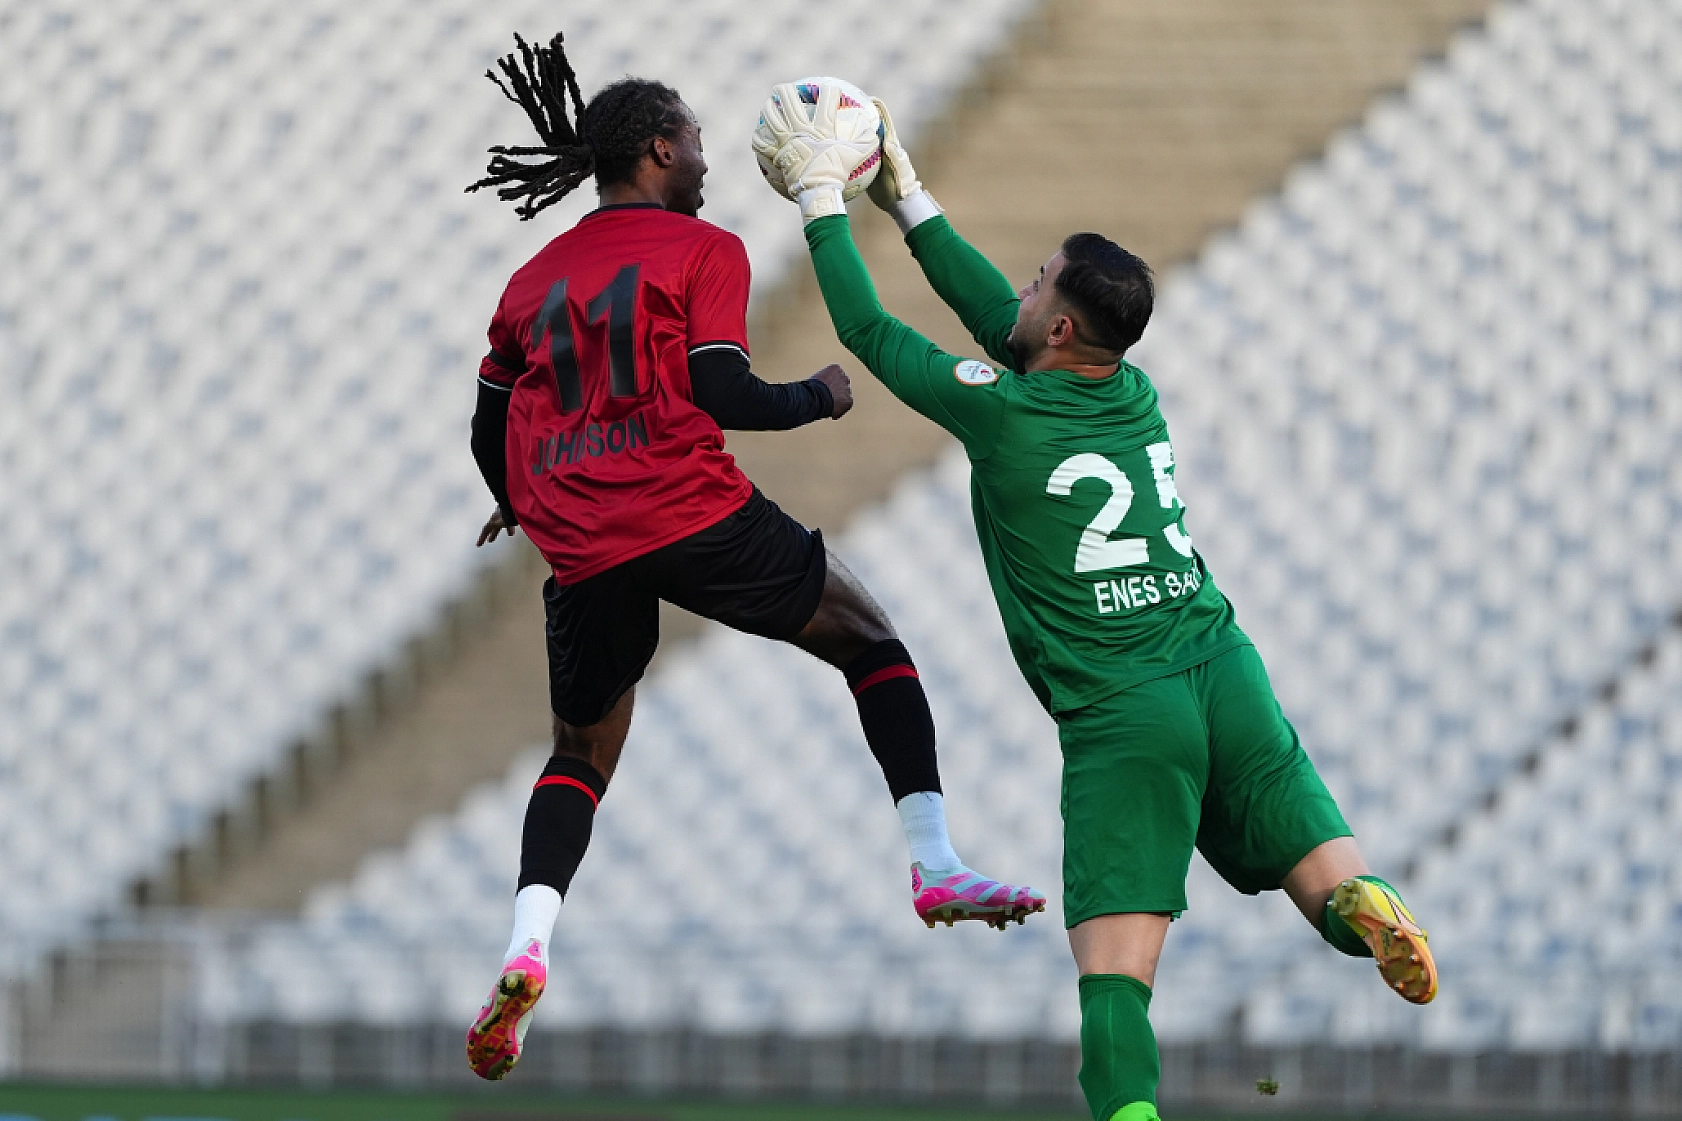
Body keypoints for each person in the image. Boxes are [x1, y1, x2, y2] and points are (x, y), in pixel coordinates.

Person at [756, 82, 1437, 1121]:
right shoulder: (1128, 390)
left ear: (1062, 320)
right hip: (1222, 669)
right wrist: (908, 198)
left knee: (1115, 972)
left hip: (1127, 712)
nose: (1018, 291)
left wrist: (819, 198)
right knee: (1319, 874)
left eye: (1035, 283)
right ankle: (1365, 906)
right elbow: (1005, 325)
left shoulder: (1008, 420)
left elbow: (864, 324)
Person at [458, 38, 1046, 1082]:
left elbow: (485, 422)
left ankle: (525, 945)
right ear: (654, 148)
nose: (704, 155)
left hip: (583, 540)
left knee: (580, 752)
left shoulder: (528, 278)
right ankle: (936, 864)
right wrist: (816, 395)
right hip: (689, 510)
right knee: (870, 642)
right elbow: (723, 393)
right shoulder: (703, 250)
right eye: (688, 135)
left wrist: (515, 497)